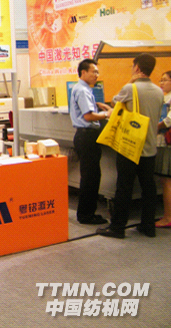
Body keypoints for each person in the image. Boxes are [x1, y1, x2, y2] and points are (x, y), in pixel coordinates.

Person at [96, 53, 163, 239]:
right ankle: (148, 226)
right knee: (148, 188)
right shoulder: (159, 91)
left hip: (130, 147)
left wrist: (130, 81)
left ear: (137, 68)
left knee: (124, 187)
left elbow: (114, 102)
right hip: (150, 147)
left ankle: (118, 227)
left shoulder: (130, 88)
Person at [69, 59, 109, 225]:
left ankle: (87, 213)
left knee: (90, 176)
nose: (96, 75)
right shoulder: (83, 90)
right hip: (87, 137)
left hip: (84, 136)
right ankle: (86, 215)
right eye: (94, 72)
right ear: (83, 72)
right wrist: (107, 114)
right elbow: (88, 116)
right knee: (90, 177)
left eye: (97, 72)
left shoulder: (81, 88)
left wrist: (98, 106)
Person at [154, 70, 171, 228]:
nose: (162, 83)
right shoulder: (170, 97)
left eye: (165, 80)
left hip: (169, 143)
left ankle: (167, 218)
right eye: (161, 80)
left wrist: (156, 127)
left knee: (167, 181)